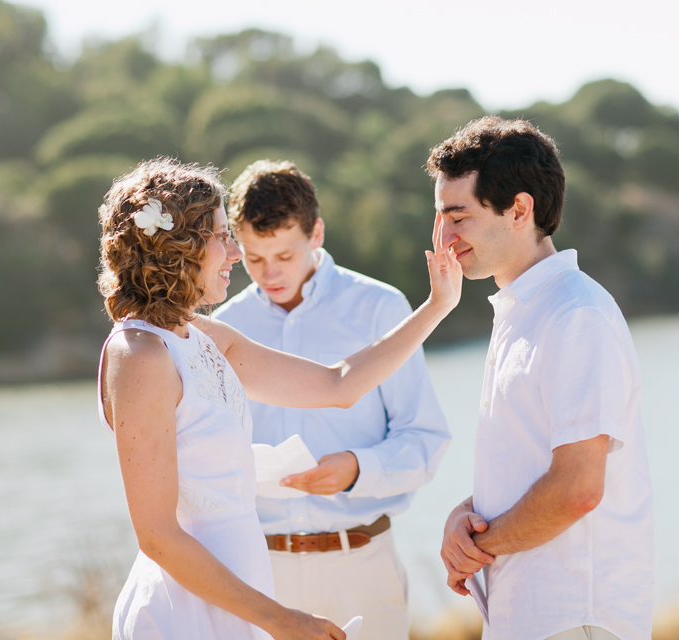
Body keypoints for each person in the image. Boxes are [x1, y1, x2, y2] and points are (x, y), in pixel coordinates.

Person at [96, 158, 461, 640]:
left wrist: (437, 307)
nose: (233, 254)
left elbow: (338, 385)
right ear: (179, 248)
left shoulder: (204, 335)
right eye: (223, 237)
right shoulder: (139, 355)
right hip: (190, 607)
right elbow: (158, 536)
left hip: (243, 593)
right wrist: (279, 618)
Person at [430, 117, 654, 640]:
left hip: (573, 617)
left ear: (519, 209)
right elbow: (530, 467)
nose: (444, 236)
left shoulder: (575, 314)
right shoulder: (522, 311)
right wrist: (466, 517)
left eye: (457, 216)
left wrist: (478, 547)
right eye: (441, 216)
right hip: (532, 615)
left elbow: (577, 487)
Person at [212, 160, 450, 640]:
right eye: (255, 259)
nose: (270, 273)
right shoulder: (224, 327)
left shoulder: (381, 307)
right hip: (262, 574)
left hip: (362, 565)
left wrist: (358, 468)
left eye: (284, 255)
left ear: (316, 233)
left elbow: (425, 440)